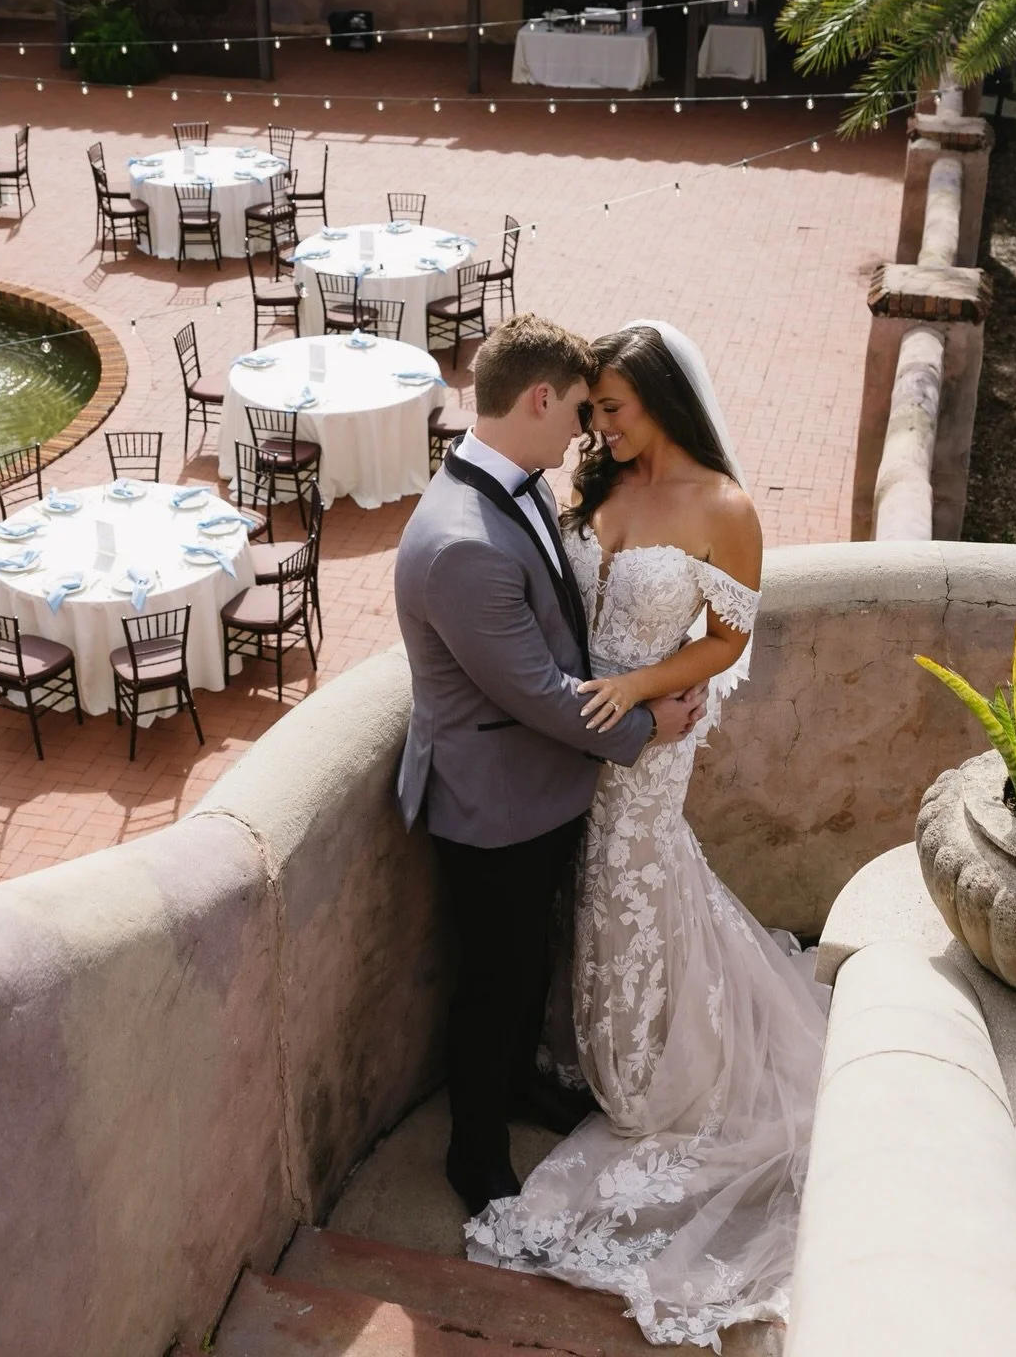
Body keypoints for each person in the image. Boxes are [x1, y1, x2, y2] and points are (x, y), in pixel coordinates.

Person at [464, 320, 829, 1348]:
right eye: (591, 411)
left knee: (630, 881)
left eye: (612, 410)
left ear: (662, 399)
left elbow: (729, 636)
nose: (598, 427)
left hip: (651, 740)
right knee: (582, 886)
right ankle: (577, 1045)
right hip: (570, 737)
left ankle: (638, 1063)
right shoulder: (596, 485)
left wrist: (640, 689)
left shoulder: (723, 507)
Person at [394, 314, 706, 1219]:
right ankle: (474, 1155)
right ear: (537, 398)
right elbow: (535, 690)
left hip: (536, 788)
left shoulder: (514, 480)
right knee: (493, 982)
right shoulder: (462, 541)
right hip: (490, 806)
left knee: (528, 965)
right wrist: (648, 723)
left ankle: (524, 1088)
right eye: (575, 409)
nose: (584, 430)